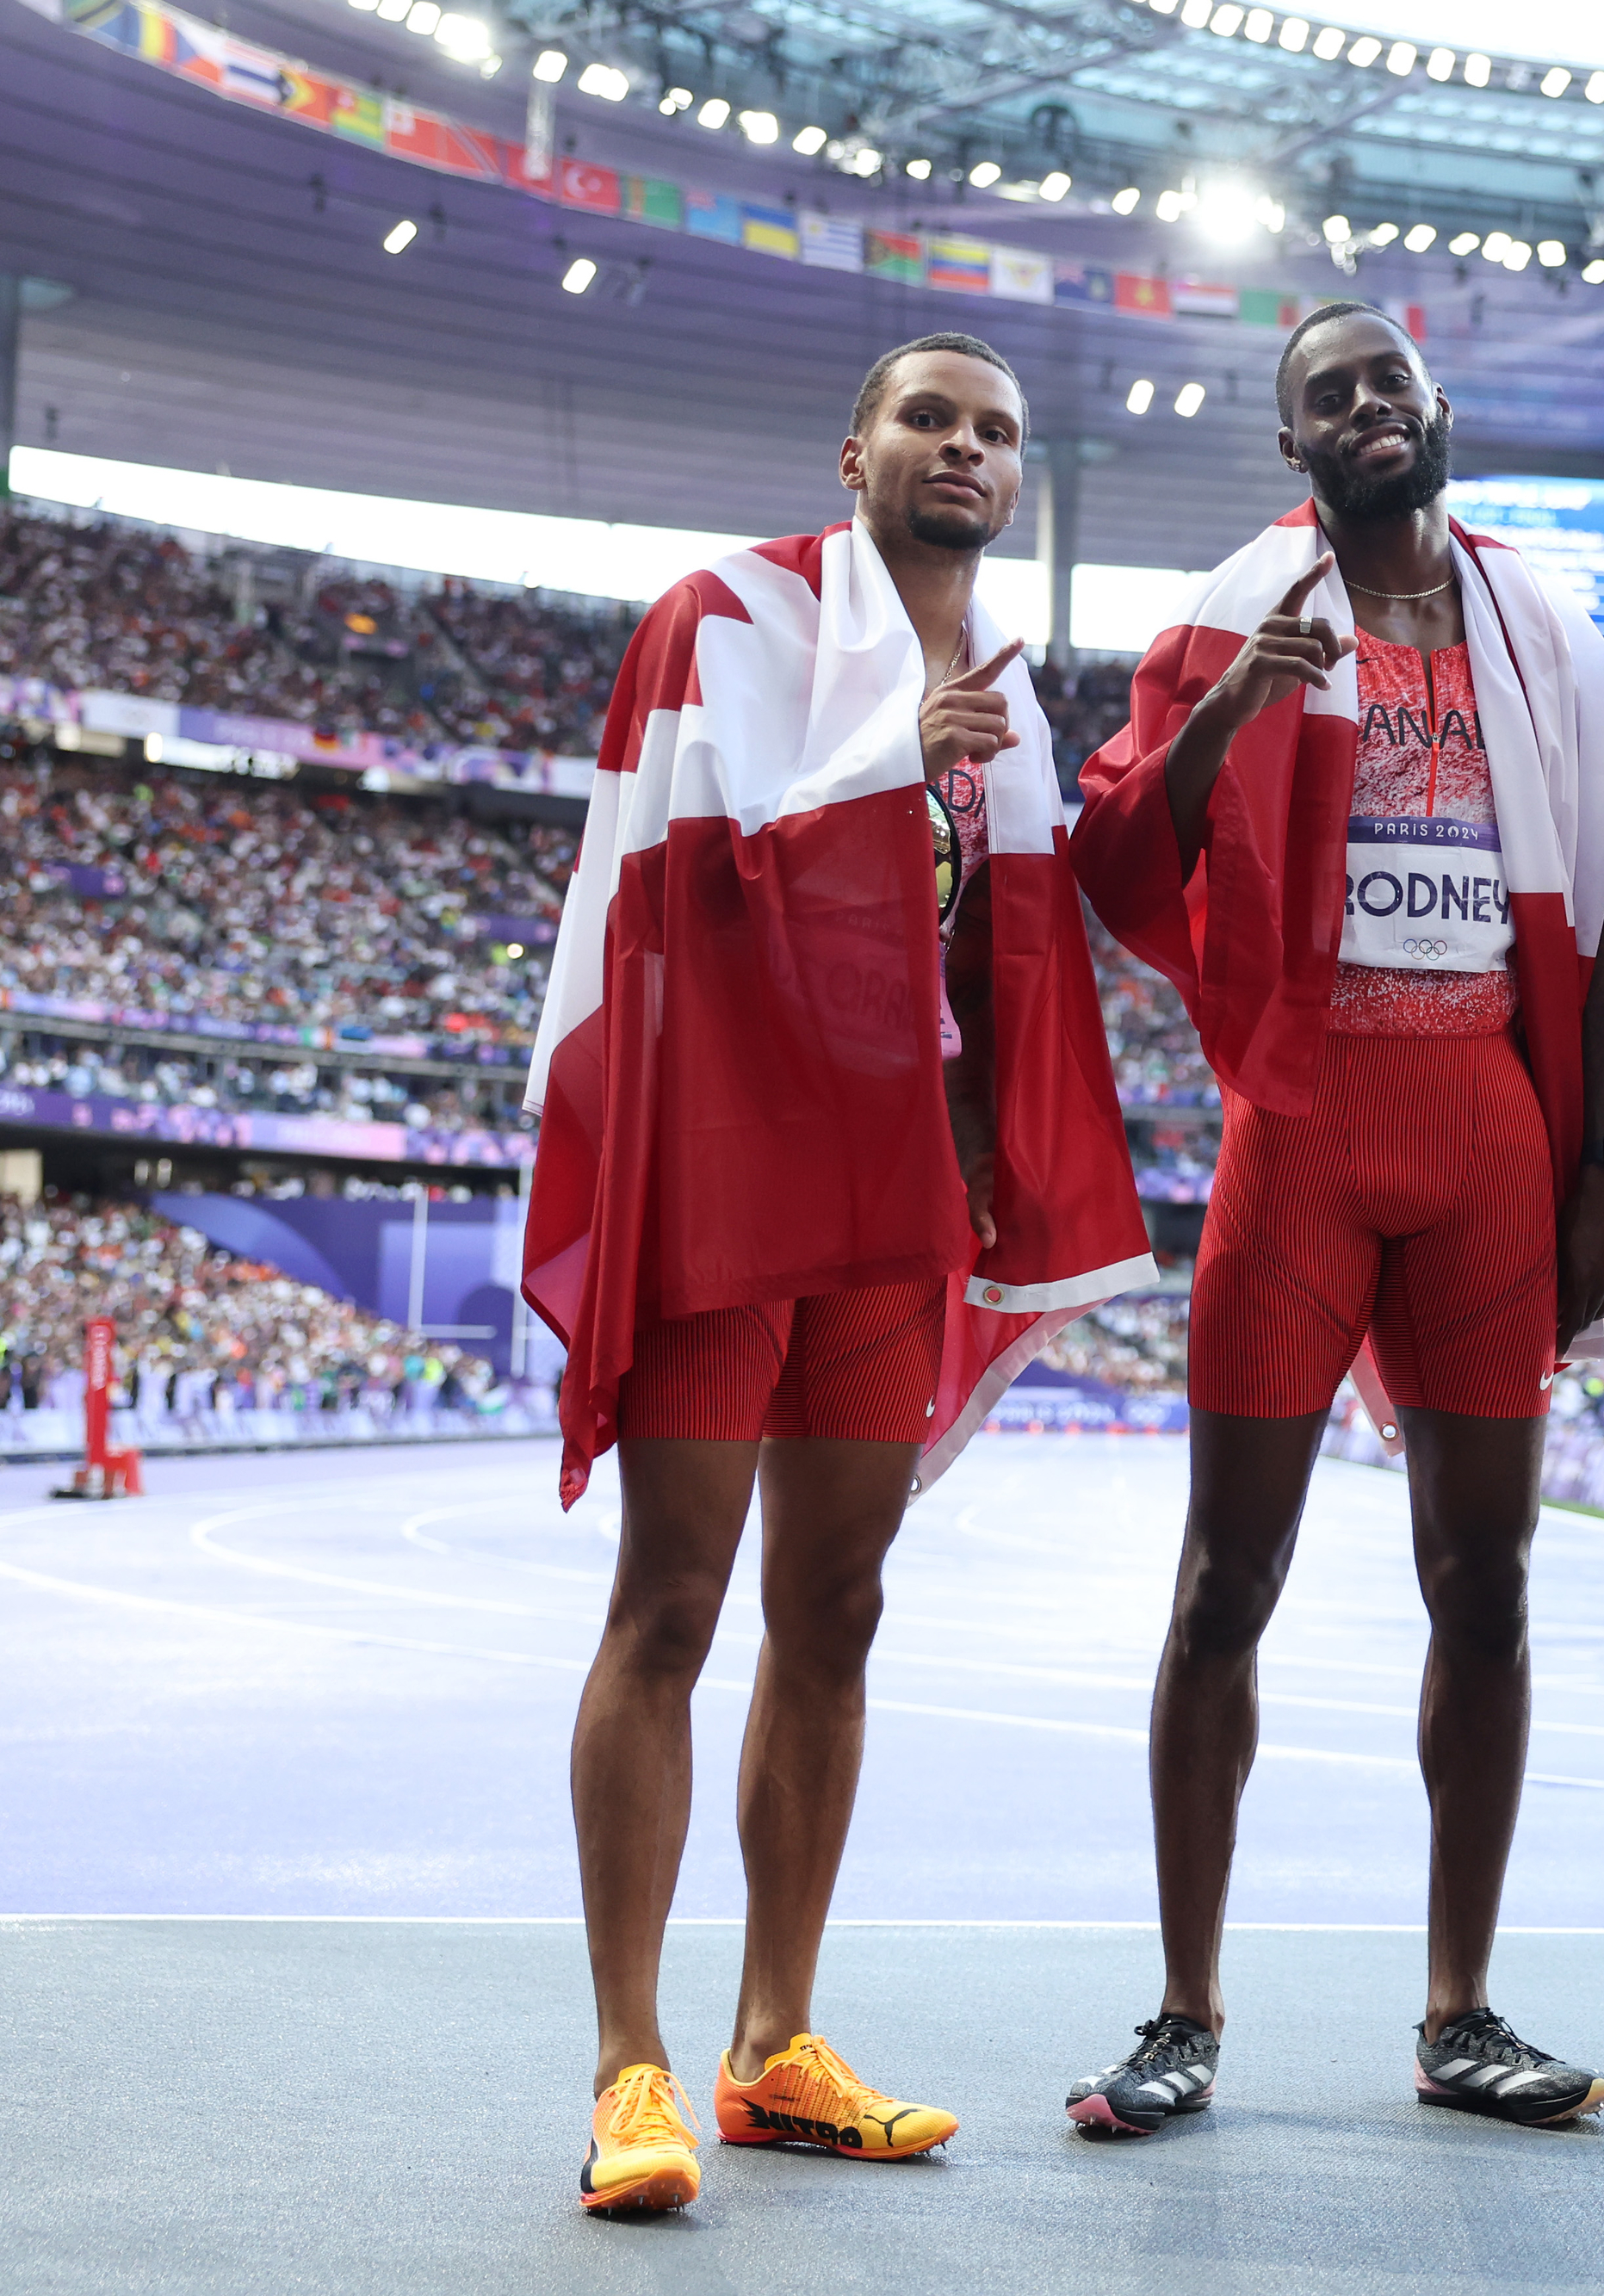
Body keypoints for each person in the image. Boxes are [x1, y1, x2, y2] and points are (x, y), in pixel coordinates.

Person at [523, 332, 1155, 2215]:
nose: (964, 447)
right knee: (671, 1600)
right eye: (929, 419)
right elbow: (680, 894)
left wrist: (996, 1186)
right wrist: (900, 758)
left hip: (892, 1204)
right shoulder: (717, 617)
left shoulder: (1015, 703)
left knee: (839, 1607)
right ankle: (630, 2063)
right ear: (856, 446)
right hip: (734, 1166)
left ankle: (771, 2037)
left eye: (995, 431)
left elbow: (1004, 970)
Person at [1062, 302, 1604, 2136]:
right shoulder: (1231, 615)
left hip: (1483, 1114)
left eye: (1387, 380)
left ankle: (1457, 2007)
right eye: (1328, 395)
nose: (1366, 408)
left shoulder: (1537, 622)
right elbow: (1112, 863)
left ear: (1436, 407)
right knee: (1222, 1585)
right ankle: (1181, 2008)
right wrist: (1236, 695)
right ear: (1292, 447)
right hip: (1303, 1121)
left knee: (1485, 1583)